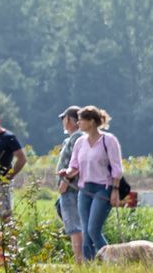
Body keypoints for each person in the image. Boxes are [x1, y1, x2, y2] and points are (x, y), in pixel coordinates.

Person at [67, 105, 125, 262]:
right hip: (84, 189)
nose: (78, 123)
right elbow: (74, 166)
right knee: (85, 231)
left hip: (103, 189)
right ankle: (90, 265)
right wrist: (67, 173)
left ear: (91, 122)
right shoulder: (80, 142)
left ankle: (114, 262)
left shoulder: (109, 140)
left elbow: (117, 168)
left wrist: (115, 190)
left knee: (93, 230)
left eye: (81, 120)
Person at [51, 107, 85, 262]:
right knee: (75, 225)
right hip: (71, 189)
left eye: (63, 118)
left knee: (74, 227)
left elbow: (78, 163)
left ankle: (80, 261)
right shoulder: (71, 139)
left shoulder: (77, 137)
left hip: (71, 189)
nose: (63, 122)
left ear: (71, 120)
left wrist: (65, 181)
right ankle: (83, 259)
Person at [0, 110, 27, 225]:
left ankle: (9, 242)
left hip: (3, 183)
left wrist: (8, 176)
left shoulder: (8, 137)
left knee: (6, 215)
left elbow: (22, 158)